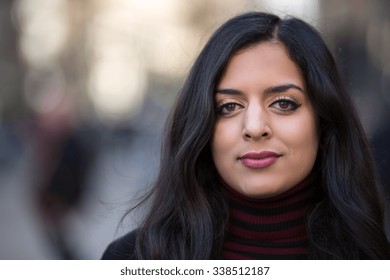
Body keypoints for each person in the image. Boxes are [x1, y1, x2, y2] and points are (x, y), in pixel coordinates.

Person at [102, 11, 390, 259]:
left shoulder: (373, 259)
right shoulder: (134, 261)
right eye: (229, 107)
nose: (254, 127)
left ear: (324, 120)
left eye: (283, 103)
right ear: (203, 126)